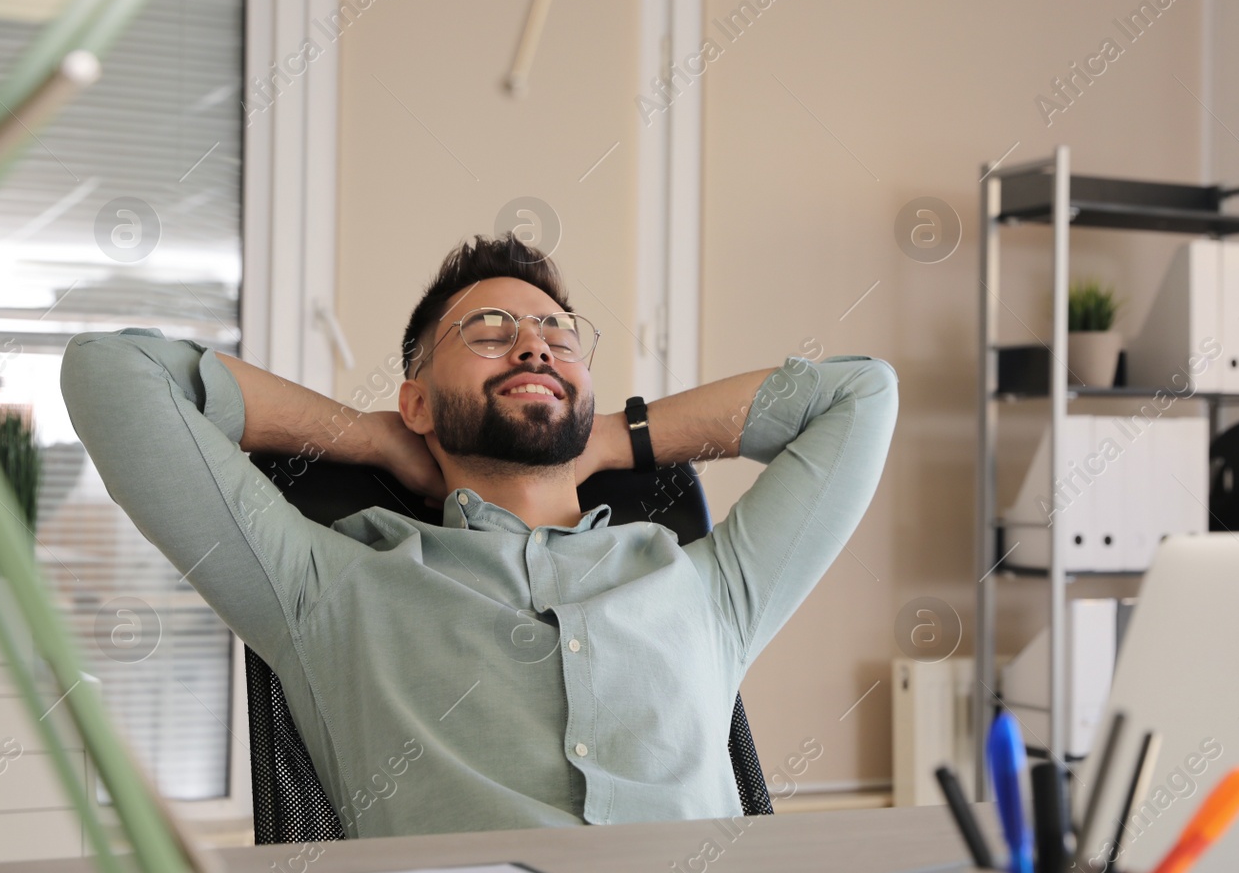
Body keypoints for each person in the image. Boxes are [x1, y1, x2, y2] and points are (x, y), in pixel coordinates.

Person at [59, 233, 898, 836]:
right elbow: (115, 372)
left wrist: (610, 436)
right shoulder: (323, 585)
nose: (535, 342)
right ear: (418, 399)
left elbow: (861, 394)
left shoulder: (710, 586)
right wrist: (372, 433)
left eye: (558, 334)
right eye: (489, 332)